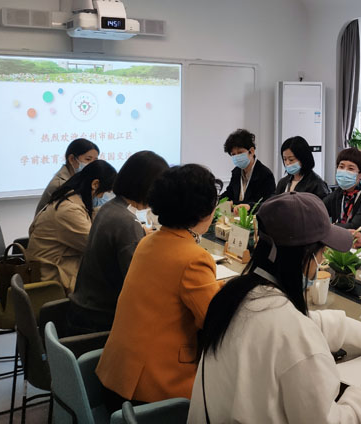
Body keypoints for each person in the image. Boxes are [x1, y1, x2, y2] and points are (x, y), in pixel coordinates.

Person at [188, 192, 361, 424]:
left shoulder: (236, 296)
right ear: (306, 256)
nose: (321, 261)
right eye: (322, 253)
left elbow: (282, 325)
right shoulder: (294, 335)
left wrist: (356, 332)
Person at [96, 164, 222, 409]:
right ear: (203, 211)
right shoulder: (194, 258)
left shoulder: (148, 242)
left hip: (117, 376)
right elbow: (215, 322)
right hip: (153, 392)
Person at [68, 150, 169, 333]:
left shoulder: (110, 208)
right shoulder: (126, 221)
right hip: (102, 321)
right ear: (148, 187)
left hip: (84, 311)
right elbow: (138, 286)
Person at [26, 160, 116, 294]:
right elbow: (95, 247)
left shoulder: (71, 200)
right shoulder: (69, 210)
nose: (103, 197)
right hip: (53, 280)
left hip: (60, 269)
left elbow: (91, 218)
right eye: (104, 192)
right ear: (95, 184)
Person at [322, 148, 361, 231]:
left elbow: (355, 226)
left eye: (351, 168)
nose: (344, 171)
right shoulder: (340, 192)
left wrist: (330, 226)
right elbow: (319, 209)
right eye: (341, 167)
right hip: (340, 235)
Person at [35, 138, 99, 215]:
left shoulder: (81, 179)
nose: (93, 164)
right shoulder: (60, 184)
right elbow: (76, 213)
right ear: (71, 159)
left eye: (95, 160)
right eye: (88, 159)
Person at [219, 128, 275, 212]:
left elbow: (267, 204)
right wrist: (217, 200)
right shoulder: (236, 172)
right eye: (233, 154)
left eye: (240, 152)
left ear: (251, 151)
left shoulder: (265, 174)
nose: (236, 157)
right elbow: (229, 193)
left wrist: (235, 203)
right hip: (235, 216)